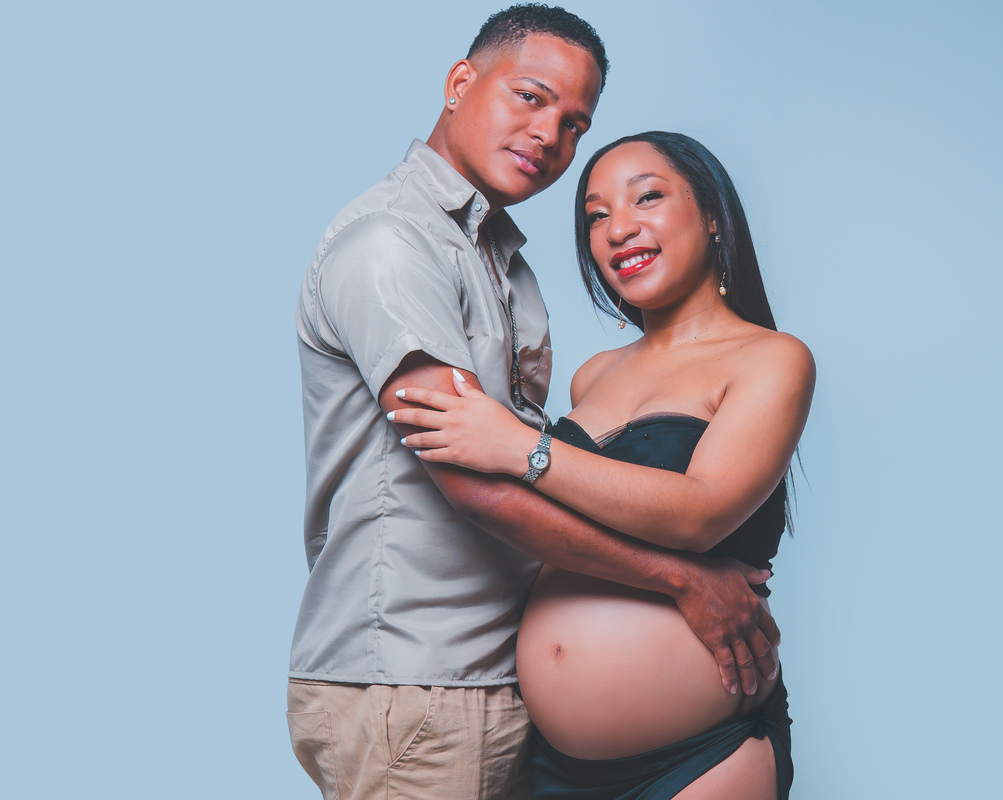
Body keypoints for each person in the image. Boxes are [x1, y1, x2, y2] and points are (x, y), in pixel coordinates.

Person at [289, 6, 782, 798]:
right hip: (418, 682)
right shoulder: (393, 244)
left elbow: (527, 465)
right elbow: (473, 481)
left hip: (496, 690)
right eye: (530, 97)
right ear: (460, 83)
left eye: (574, 122)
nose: (550, 133)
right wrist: (683, 580)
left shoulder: (502, 263)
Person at [390, 132, 816, 799]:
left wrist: (521, 448)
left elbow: (700, 513)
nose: (619, 229)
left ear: (711, 215)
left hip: (701, 758)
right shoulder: (593, 376)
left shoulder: (772, 358)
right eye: (596, 215)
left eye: (647, 197)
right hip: (550, 763)